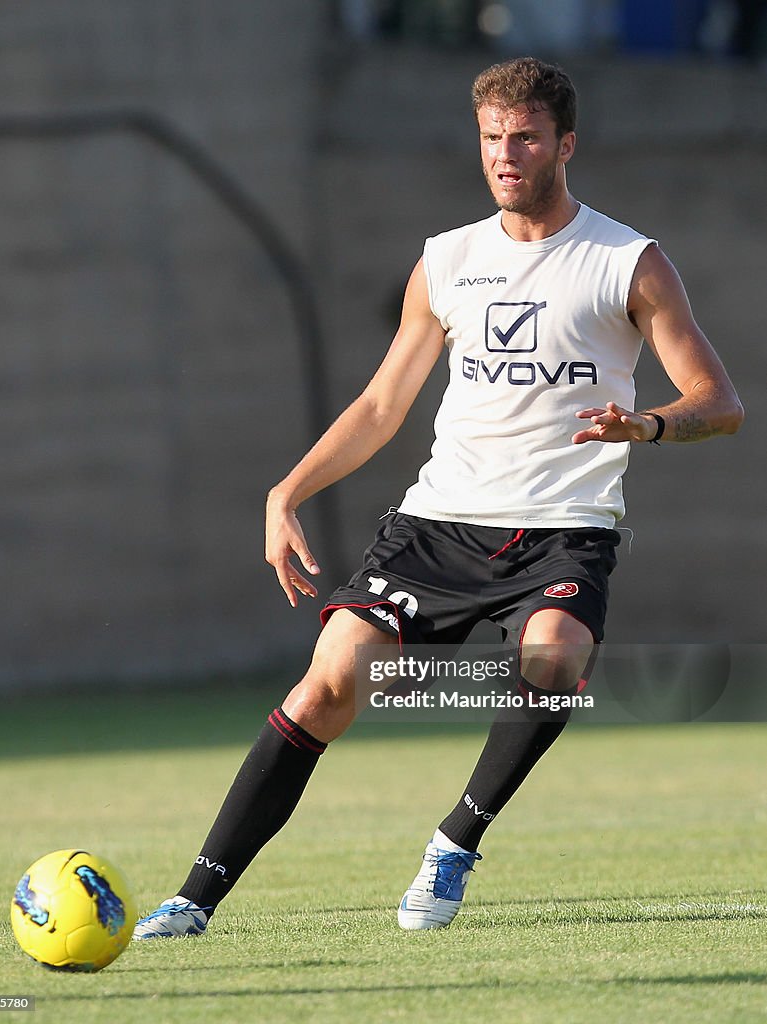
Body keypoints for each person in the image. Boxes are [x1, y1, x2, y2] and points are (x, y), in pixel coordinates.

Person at [133, 56, 743, 939]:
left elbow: (717, 405)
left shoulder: (628, 262)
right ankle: (193, 898)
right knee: (327, 684)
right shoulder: (446, 261)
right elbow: (382, 406)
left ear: (565, 143)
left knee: (556, 657)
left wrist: (643, 426)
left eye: (525, 136)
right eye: (492, 138)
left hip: (561, 530)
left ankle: (456, 840)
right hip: (437, 525)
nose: (506, 154)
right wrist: (286, 490)